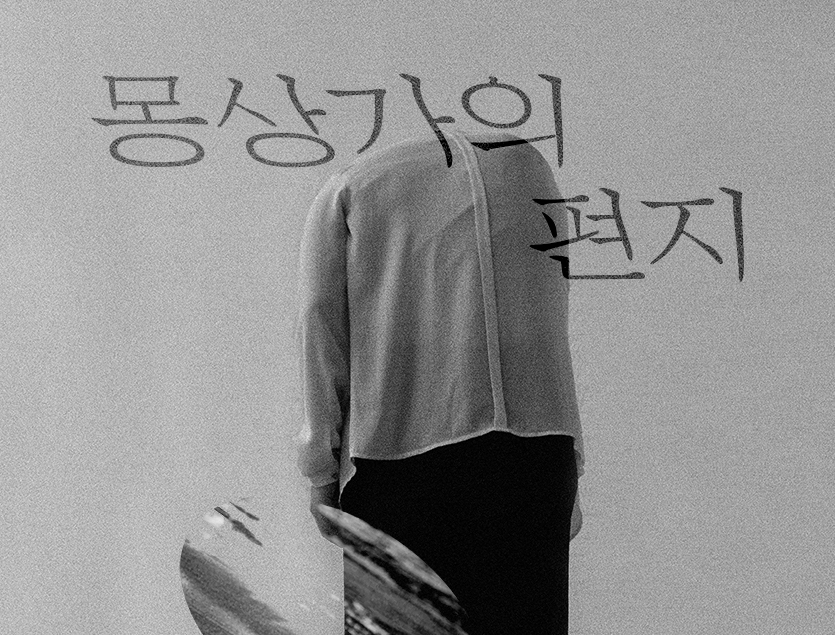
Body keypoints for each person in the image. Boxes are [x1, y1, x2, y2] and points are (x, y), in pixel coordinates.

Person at [295, 128, 585, 635]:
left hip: (402, 463)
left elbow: (321, 331)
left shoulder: (353, 188)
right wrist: (568, 465)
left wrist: (321, 472)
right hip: (535, 464)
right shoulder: (529, 168)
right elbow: (548, 324)